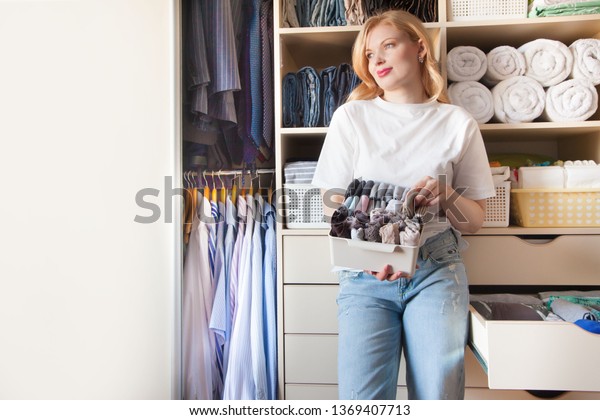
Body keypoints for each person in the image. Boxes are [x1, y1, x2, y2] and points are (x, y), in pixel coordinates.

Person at [311, 10, 496, 400]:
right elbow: (329, 200)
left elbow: (476, 221)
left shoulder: (457, 122)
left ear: (420, 48)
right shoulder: (352, 117)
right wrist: (373, 251)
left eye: (388, 46)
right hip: (366, 277)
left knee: (437, 397)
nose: (376, 60)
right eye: (369, 53)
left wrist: (446, 194)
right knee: (363, 402)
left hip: (436, 271)